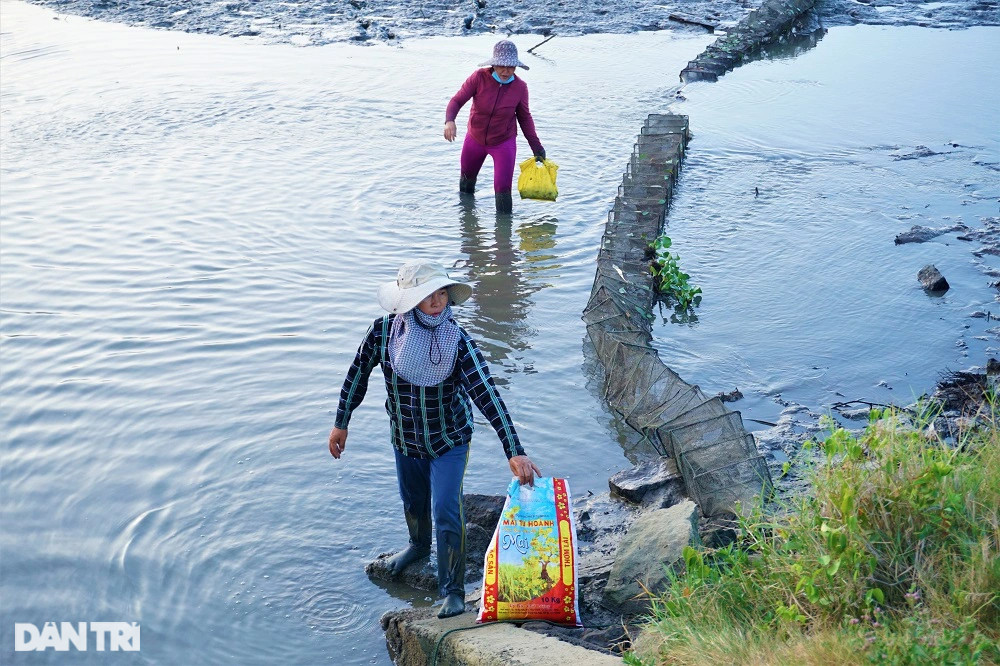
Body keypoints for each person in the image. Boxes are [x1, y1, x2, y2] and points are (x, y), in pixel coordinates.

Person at [328, 260, 541, 619]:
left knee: (446, 508)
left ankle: (453, 590)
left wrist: (514, 450)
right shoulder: (383, 334)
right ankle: (417, 547)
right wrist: (341, 423)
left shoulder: (457, 341)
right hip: (405, 437)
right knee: (412, 499)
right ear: (409, 301)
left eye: (442, 292)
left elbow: (487, 394)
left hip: (449, 440)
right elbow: (356, 375)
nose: (438, 300)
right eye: (429, 294)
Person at [444, 40, 546, 215]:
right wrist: (449, 121)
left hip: (503, 143)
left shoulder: (520, 87)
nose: (506, 71)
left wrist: (536, 146)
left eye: (511, 66)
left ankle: (504, 236)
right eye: (501, 66)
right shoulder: (478, 78)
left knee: (503, 189)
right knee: (466, 184)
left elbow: (525, 118)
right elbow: (457, 100)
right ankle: (467, 227)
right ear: (493, 64)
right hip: (474, 140)